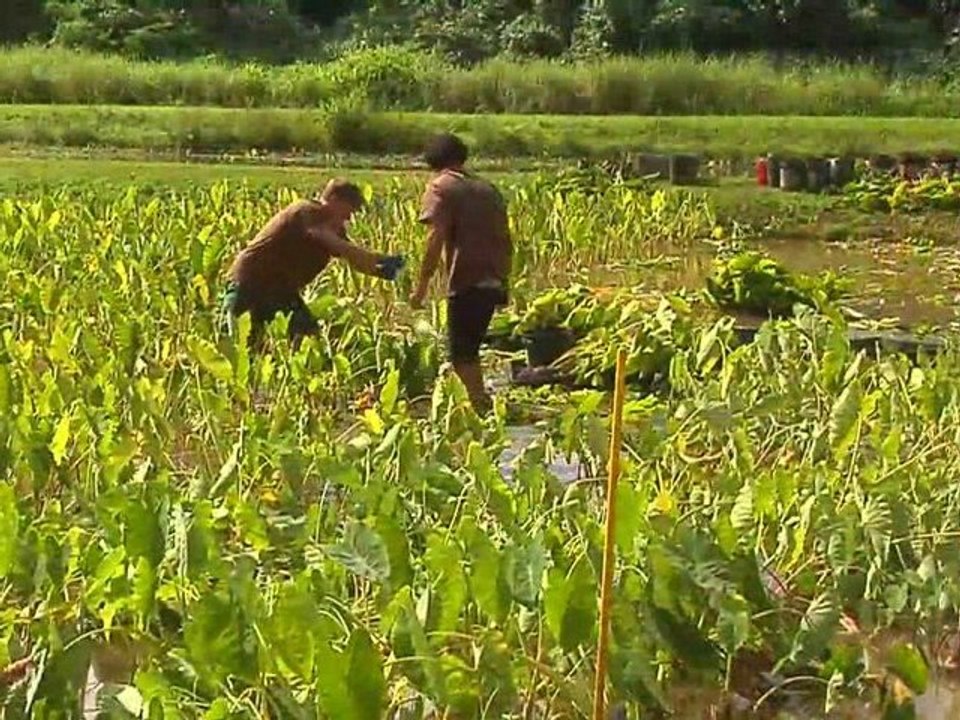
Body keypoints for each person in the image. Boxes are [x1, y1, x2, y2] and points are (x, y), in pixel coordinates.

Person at [222, 178, 404, 348]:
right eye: (349, 208)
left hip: (281, 291)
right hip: (250, 284)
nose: (349, 217)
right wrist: (380, 258)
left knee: (308, 340)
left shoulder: (334, 228)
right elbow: (329, 240)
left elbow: (352, 258)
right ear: (333, 199)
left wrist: (383, 272)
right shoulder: (307, 211)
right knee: (244, 346)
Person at [410, 132, 513, 413]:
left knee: (461, 353)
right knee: (469, 349)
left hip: (467, 279)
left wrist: (421, 286)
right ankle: (477, 405)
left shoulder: (441, 187)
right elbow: (506, 239)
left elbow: (436, 238)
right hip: (493, 278)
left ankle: (478, 410)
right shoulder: (488, 188)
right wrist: (503, 280)